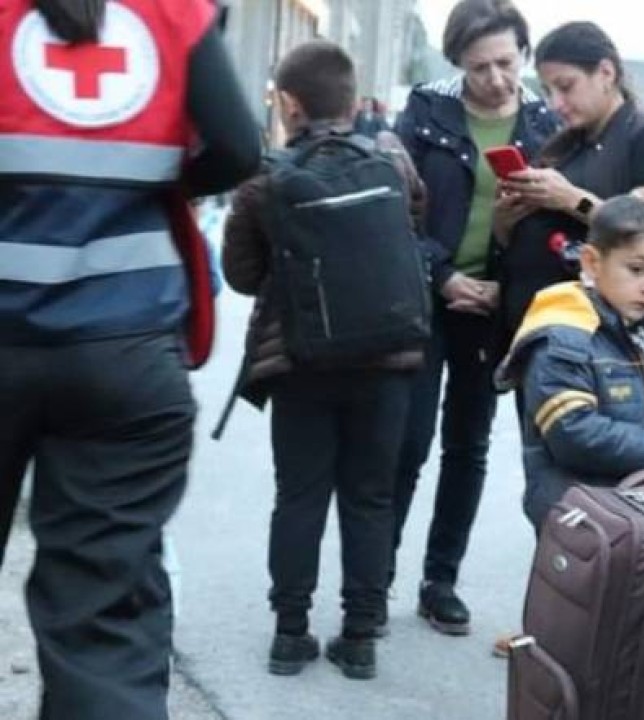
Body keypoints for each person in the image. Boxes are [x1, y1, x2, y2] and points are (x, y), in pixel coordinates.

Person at [0, 0, 261, 717]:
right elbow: (239, 148)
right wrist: (152, 178)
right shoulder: (173, 14)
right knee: (103, 623)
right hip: (126, 354)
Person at [223, 40, 427, 682]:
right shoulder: (391, 160)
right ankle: (360, 637)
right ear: (353, 97)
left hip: (303, 362)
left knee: (299, 496)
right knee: (370, 498)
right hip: (388, 360)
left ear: (288, 104)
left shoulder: (265, 179)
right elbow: (410, 228)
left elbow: (241, 274)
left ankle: (290, 634)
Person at [391, 0, 559, 637]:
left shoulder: (545, 123)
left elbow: (552, 229)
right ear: (457, 62)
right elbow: (397, 206)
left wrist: (500, 286)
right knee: (407, 442)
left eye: (506, 63)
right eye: (479, 66)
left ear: (524, 54)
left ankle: (440, 581)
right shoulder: (426, 110)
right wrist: (443, 275)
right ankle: (373, 577)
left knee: (468, 444)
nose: (495, 79)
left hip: (494, 307)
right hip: (426, 295)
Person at [495, 195, 644, 530]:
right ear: (592, 262)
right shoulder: (564, 336)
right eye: (637, 269)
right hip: (582, 513)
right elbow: (573, 431)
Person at [495, 20, 644, 354]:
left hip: (595, 344)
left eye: (566, 86)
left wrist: (572, 199)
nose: (555, 103)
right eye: (548, 91)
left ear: (606, 73)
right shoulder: (566, 142)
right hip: (537, 327)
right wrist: (506, 220)